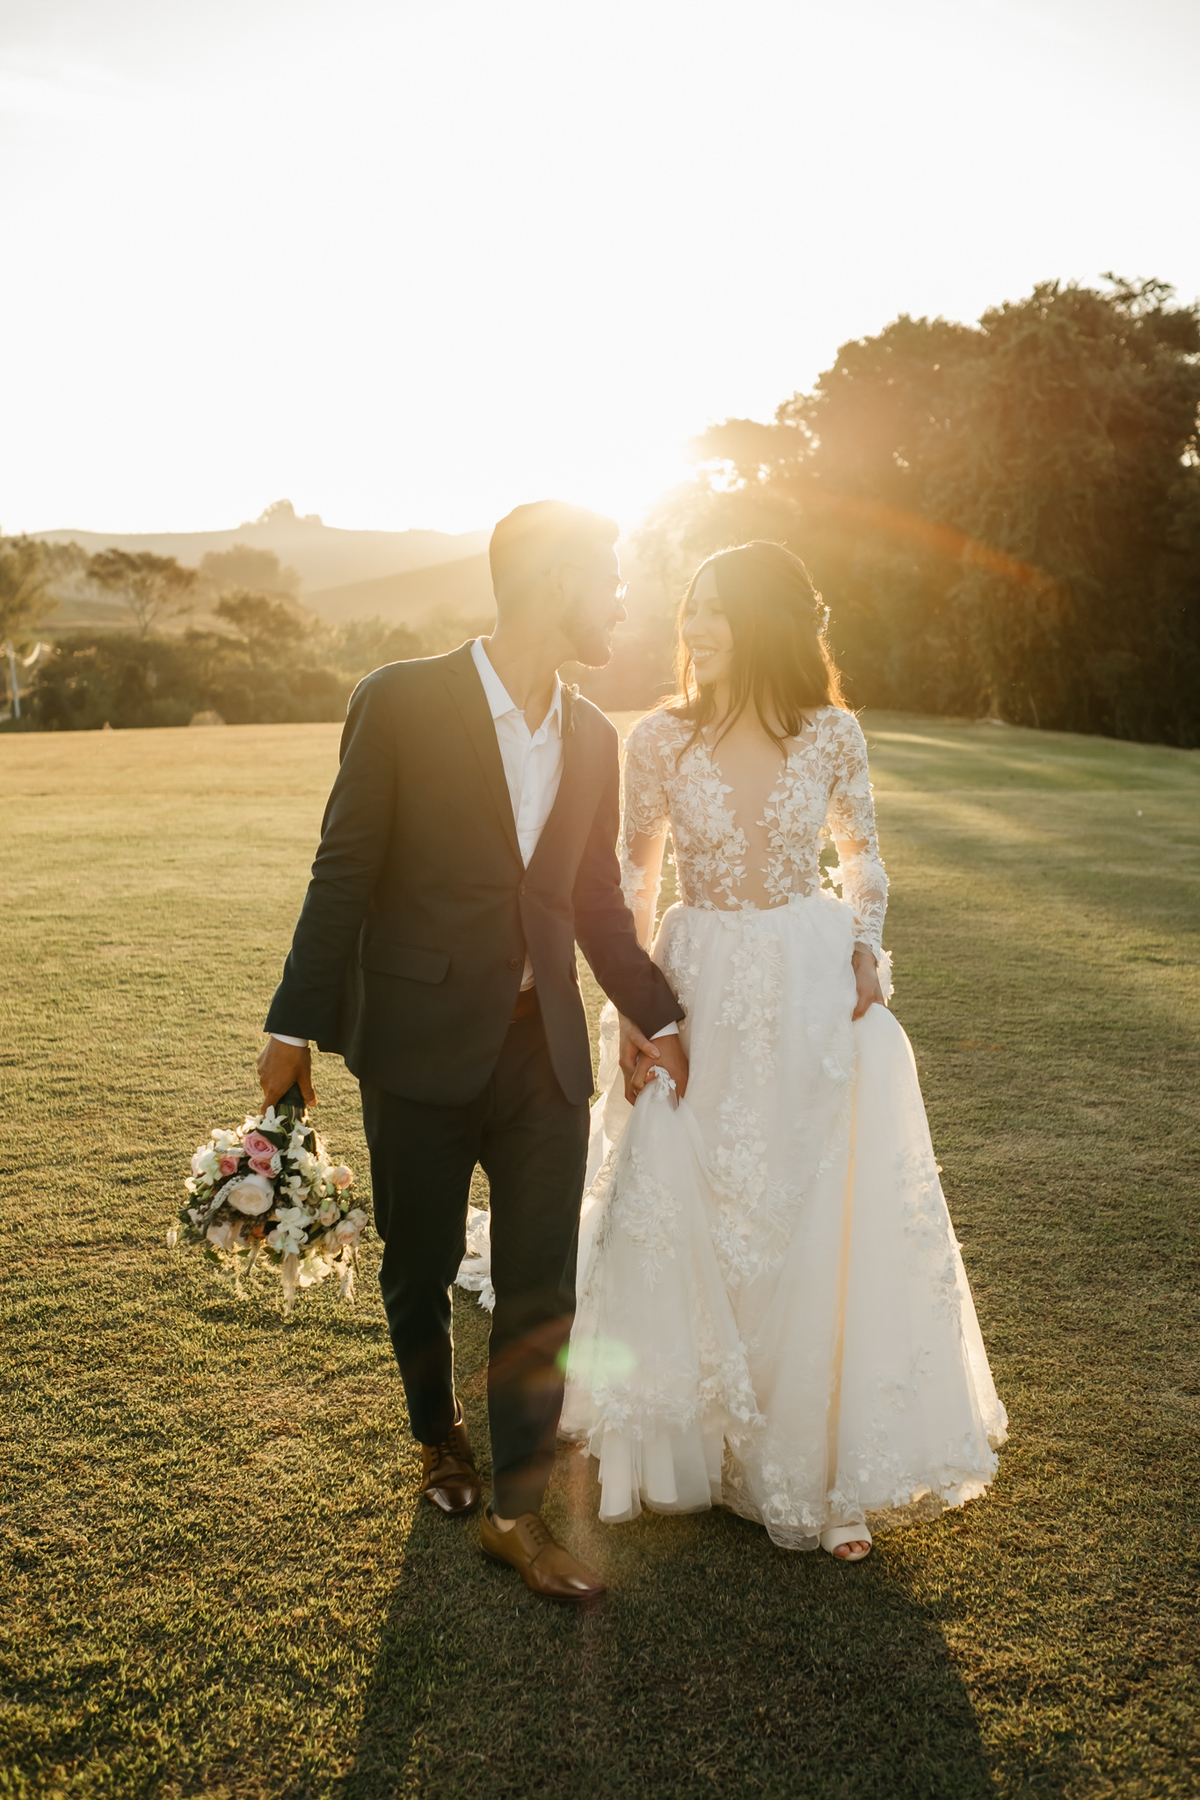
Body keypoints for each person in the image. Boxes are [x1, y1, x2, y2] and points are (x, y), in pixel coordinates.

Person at [257, 500, 688, 1605]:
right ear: (551, 583)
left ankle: (517, 1510)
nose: (624, 602)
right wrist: (291, 1024)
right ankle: (435, 1434)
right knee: (419, 1258)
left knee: (543, 1281)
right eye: (612, 580)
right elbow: (341, 869)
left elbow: (593, 898)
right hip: (418, 1041)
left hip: (542, 1050)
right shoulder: (398, 701)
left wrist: (665, 1012)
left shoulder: (595, 735)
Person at [559, 541, 1007, 1560]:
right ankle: (712, 1440)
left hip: (810, 978)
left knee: (816, 1205)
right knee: (704, 1195)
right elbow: (633, 878)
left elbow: (862, 853)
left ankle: (818, 1464)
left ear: (764, 619)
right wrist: (634, 1009)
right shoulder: (660, 738)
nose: (696, 627)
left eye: (715, 609)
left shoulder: (835, 733)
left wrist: (861, 946)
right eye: (690, 610)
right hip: (698, 979)